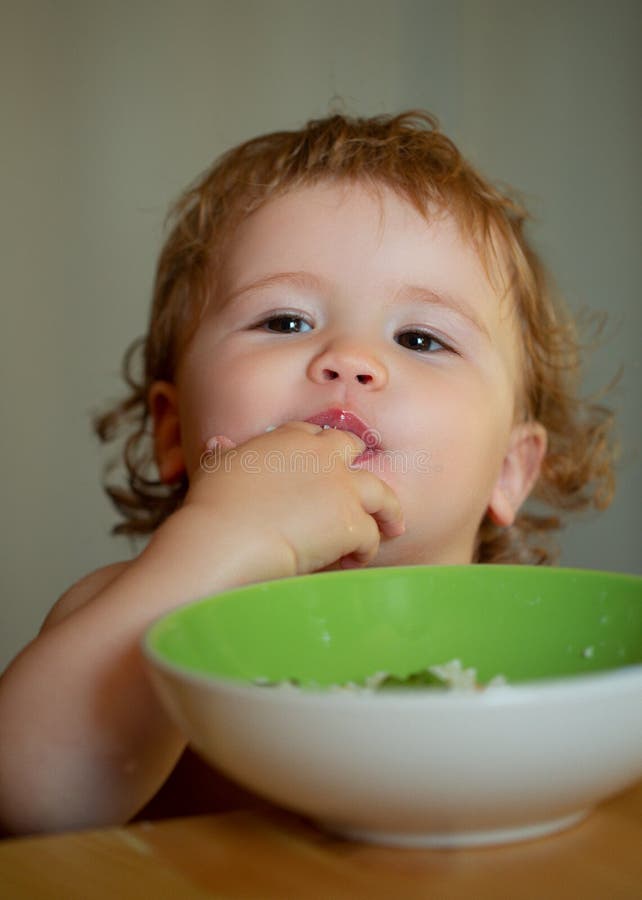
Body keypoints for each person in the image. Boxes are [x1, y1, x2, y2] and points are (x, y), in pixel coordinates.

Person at [0, 111, 615, 835]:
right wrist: (220, 539)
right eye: (285, 322)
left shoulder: (539, 649)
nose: (349, 359)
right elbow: (27, 800)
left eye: (421, 337)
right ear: (173, 431)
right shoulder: (130, 611)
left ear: (510, 471)